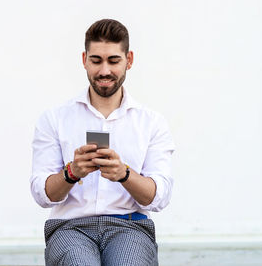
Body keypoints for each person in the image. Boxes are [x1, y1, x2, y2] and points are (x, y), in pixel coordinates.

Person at [30, 19, 175, 266]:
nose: (104, 70)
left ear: (129, 60)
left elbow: (159, 198)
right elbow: (42, 195)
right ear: (84, 59)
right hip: (70, 228)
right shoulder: (54, 119)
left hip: (130, 227)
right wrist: (71, 173)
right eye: (96, 60)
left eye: (114, 61)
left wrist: (124, 174)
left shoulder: (151, 122)